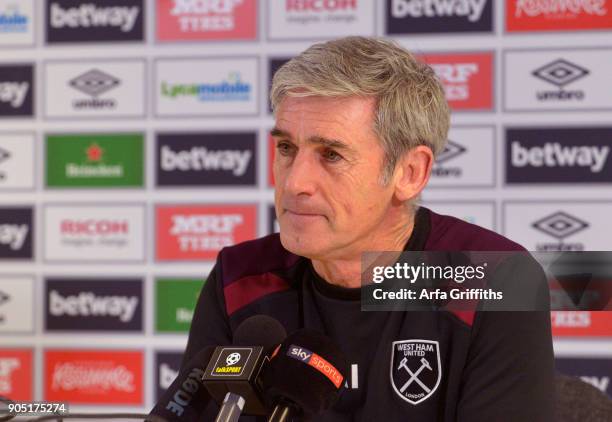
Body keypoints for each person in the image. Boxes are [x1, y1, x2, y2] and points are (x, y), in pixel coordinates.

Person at [179, 37, 554, 421]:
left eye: (331, 155)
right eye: (287, 149)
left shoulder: (496, 280)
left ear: (409, 173)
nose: (294, 183)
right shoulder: (240, 277)